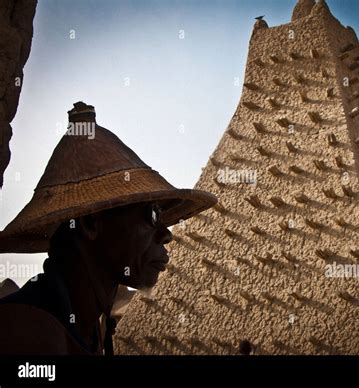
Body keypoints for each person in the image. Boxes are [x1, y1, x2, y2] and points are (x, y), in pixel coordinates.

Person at [0, 102, 217, 355]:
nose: (166, 234)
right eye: (152, 214)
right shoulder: (28, 336)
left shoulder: (91, 331)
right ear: (91, 224)